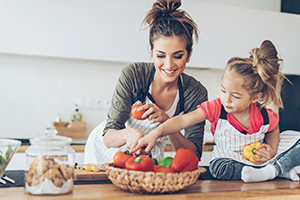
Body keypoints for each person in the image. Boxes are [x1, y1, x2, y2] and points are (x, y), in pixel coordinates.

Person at [131, 40, 300, 183]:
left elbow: (273, 129)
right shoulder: (217, 107)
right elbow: (182, 121)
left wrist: (271, 148)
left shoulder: (264, 115)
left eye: (235, 96)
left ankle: (270, 171)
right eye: (223, 90)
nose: (226, 99)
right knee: (217, 168)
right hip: (230, 161)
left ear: (255, 97)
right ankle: (277, 171)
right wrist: (154, 134)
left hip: (259, 161)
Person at [84, 0, 207, 164]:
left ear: (189, 54)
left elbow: (193, 154)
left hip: (148, 155)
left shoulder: (195, 92)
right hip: (106, 151)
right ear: (151, 51)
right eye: (161, 55)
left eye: (178, 56)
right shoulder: (134, 74)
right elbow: (108, 136)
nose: (169, 65)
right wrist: (130, 133)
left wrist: (167, 122)